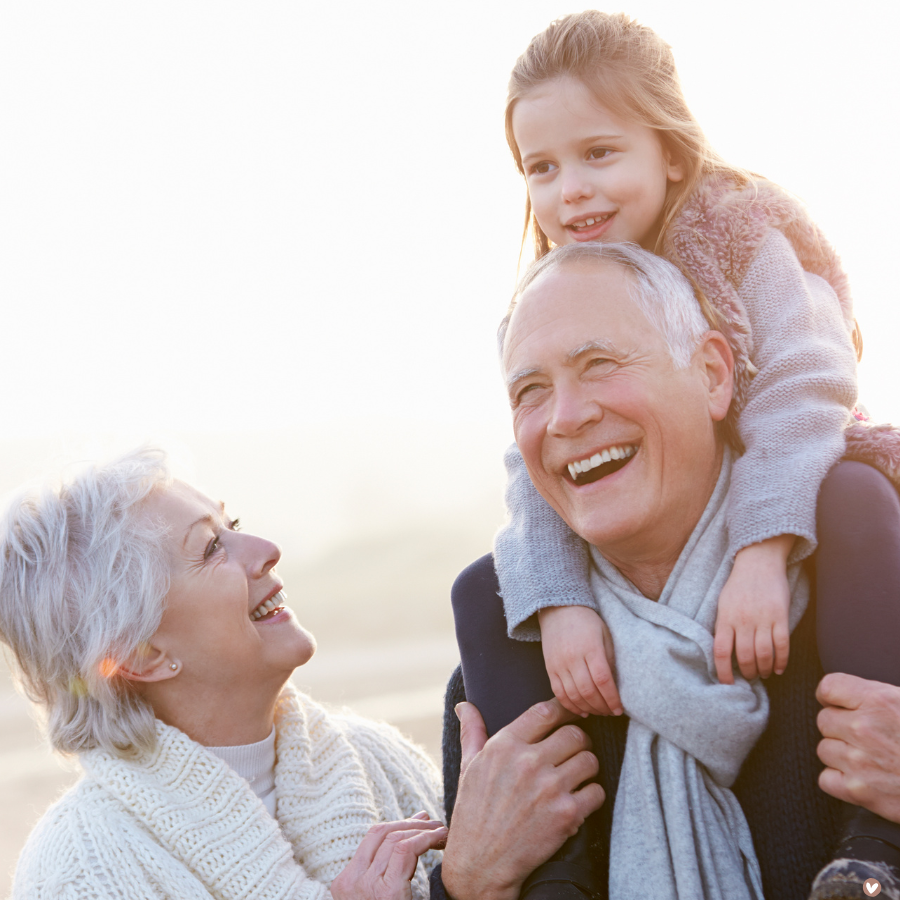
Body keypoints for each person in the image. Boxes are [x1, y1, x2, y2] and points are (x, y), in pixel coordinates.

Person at [486, 10, 900, 897]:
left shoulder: (737, 230)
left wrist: (763, 549)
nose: (572, 193)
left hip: (799, 468)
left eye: (600, 154)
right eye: (542, 169)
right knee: (486, 591)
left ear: (670, 151)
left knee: (859, 500)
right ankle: (552, 864)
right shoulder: (550, 296)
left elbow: (804, 383)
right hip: (674, 529)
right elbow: (532, 473)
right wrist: (559, 605)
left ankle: (879, 829)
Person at [445, 243, 900, 900]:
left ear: (715, 374)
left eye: (600, 365)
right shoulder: (510, 672)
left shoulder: (876, 592)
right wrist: (464, 884)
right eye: (531, 391)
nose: (566, 417)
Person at [0, 448, 447, 900]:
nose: (267, 551)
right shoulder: (74, 874)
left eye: (231, 526)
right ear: (143, 654)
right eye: (212, 547)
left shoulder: (383, 760)